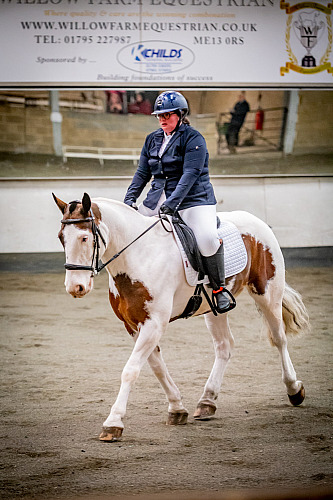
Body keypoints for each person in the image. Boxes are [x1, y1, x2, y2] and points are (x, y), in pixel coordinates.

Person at [124, 90, 231, 313]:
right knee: (131, 235)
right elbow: (142, 173)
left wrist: (172, 203)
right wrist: (129, 199)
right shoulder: (152, 139)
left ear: (180, 115)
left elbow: (190, 175)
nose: (163, 119)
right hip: (159, 198)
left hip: (195, 200)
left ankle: (219, 289)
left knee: (208, 240)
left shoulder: (194, 138)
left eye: (168, 115)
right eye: (159, 116)